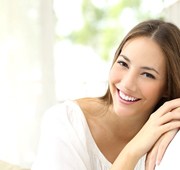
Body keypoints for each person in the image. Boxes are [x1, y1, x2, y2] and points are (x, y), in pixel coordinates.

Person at [31, 19, 180, 170]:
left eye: (147, 74)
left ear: (167, 87)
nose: (127, 83)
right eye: (123, 63)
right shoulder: (66, 122)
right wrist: (132, 151)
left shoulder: (168, 134)